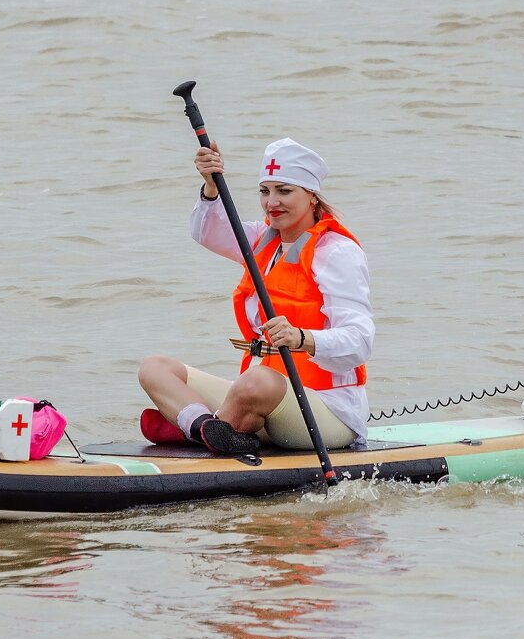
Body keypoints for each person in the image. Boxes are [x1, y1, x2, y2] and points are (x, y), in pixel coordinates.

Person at [138, 137, 374, 455]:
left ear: (312, 197)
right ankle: (206, 429)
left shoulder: (337, 252)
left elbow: (360, 342)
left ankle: (196, 429)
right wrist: (211, 186)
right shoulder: (262, 239)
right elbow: (207, 232)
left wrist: (302, 338)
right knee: (154, 368)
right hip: (258, 400)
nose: (271, 202)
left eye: (284, 191)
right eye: (265, 191)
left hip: (326, 414)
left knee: (256, 380)